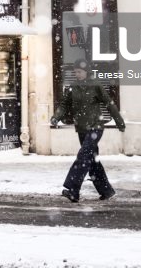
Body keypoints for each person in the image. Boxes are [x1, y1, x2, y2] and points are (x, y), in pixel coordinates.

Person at [50, 58, 125, 203]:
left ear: (87, 72)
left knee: (84, 156)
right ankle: (106, 190)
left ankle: (73, 189)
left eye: (79, 72)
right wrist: (56, 117)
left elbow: (109, 104)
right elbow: (64, 105)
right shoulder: (73, 87)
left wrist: (119, 122)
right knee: (92, 160)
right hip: (82, 129)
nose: (77, 74)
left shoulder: (95, 85)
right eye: (75, 72)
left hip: (95, 127)